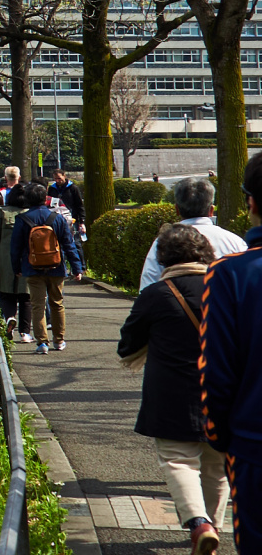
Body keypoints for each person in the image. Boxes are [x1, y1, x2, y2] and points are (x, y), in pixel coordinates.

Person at [119, 224, 226, 555]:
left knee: (178, 459)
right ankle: (215, 527)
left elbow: (127, 345)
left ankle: (199, 524)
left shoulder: (156, 294)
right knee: (217, 465)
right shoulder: (226, 288)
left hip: (172, 393)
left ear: (164, 257)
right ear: (206, 253)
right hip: (225, 390)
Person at [202, 154, 262, 555]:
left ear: (251, 201)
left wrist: (222, 438)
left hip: (255, 444)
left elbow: (216, 373)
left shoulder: (230, 273)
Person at [11, 181, 85, 353]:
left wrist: (17, 268)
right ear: (45, 198)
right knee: (57, 303)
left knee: (37, 305)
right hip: (56, 266)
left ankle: (42, 342)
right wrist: (77, 268)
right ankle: (59, 340)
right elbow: (69, 244)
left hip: (32, 267)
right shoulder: (57, 218)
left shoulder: (22, 219)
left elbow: (15, 248)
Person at [139, 177, 248, 290]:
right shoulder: (234, 242)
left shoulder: (162, 243)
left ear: (177, 210)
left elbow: (148, 287)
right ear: (211, 210)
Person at [48, 169, 87, 235]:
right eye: (55, 179)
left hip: (72, 219)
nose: (57, 181)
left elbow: (79, 205)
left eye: (59, 178)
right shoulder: (52, 189)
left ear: (64, 176)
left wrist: (82, 222)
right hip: (57, 219)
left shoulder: (73, 188)